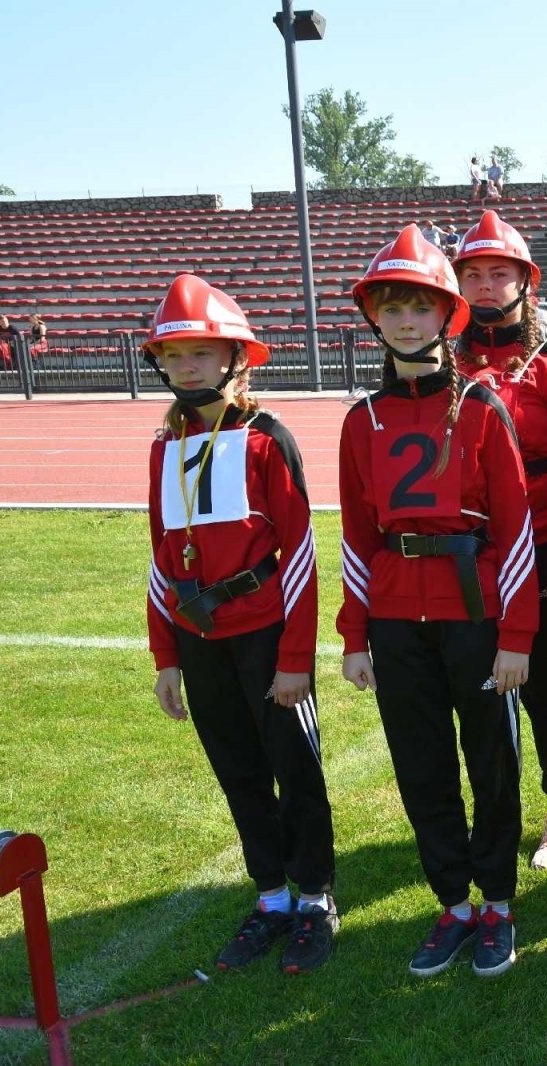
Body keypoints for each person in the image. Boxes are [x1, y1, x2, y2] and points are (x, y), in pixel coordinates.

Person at [338, 226, 538, 979]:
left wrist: (517, 634)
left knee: (490, 763)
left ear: (446, 316)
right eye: (392, 307)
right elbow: (358, 535)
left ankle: (498, 903)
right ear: (375, 319)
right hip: (395, 619)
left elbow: (516, 531)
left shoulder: (484, 408)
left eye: (420, 306)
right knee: (421, 765)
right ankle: (452, 903)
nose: (405, 321)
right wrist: (354, 635)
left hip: (475, 617)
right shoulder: (363, 418)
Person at [142, 275, 337, 976]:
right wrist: (166, 654)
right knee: (239, 773)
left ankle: (315, 898)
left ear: (236, 359)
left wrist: (295, 659)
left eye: (202, 352)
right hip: (200, 642)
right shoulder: (165, 447)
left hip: (266, 638)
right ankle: (272, 896)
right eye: (174, 354)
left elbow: (303, 554)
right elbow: (162, 558)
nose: (187, 366)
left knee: (295, 768)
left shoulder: (266, 440)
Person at [451, 211, 547, 870]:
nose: (486, 286)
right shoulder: (438, 363)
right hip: (466, 559)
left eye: (499, 273)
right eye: (473, 274)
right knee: (478, 689)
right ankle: (495, 812)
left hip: (546, 552)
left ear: (525, 282)